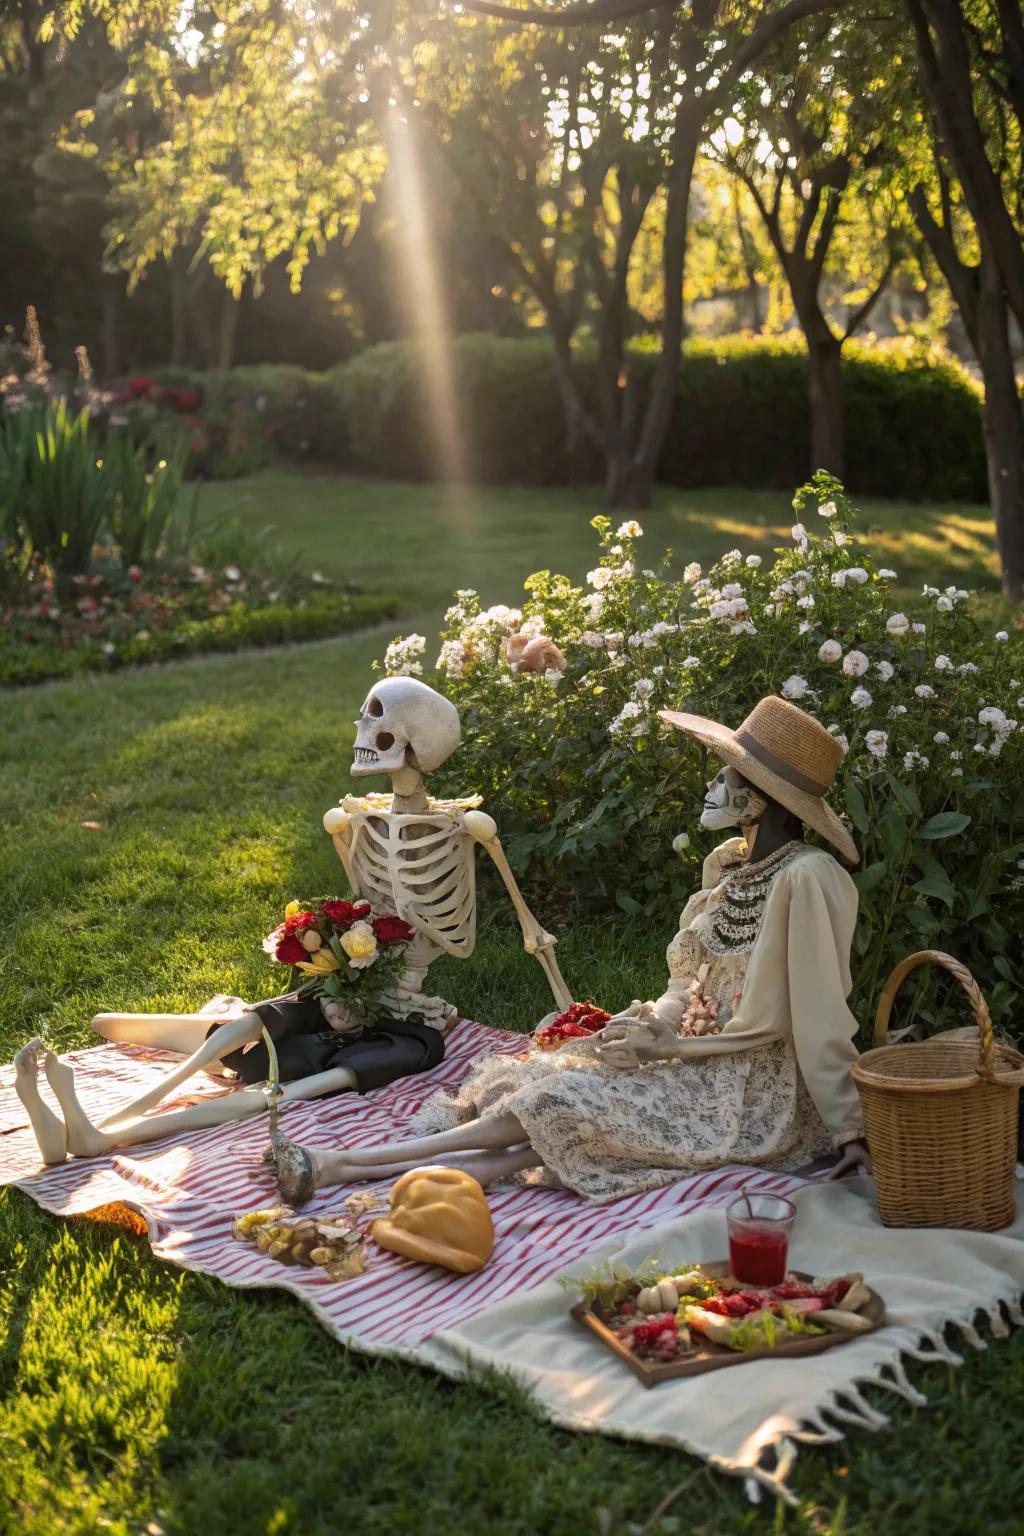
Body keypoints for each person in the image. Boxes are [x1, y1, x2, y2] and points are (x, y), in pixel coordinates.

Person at [270, 696, 872, 1205]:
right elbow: (688, 988)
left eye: (727, 777)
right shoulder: (734, 868)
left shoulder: (808, 878)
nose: (712, 786)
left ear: (761, 800)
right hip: (689, 1057)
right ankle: (366, 1183)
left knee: (562, 1103)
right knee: (552, 1095)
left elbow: (819, 1015)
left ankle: (341, 1166)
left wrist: (850, 1128)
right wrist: (648, 1028)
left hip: (751, 1092)